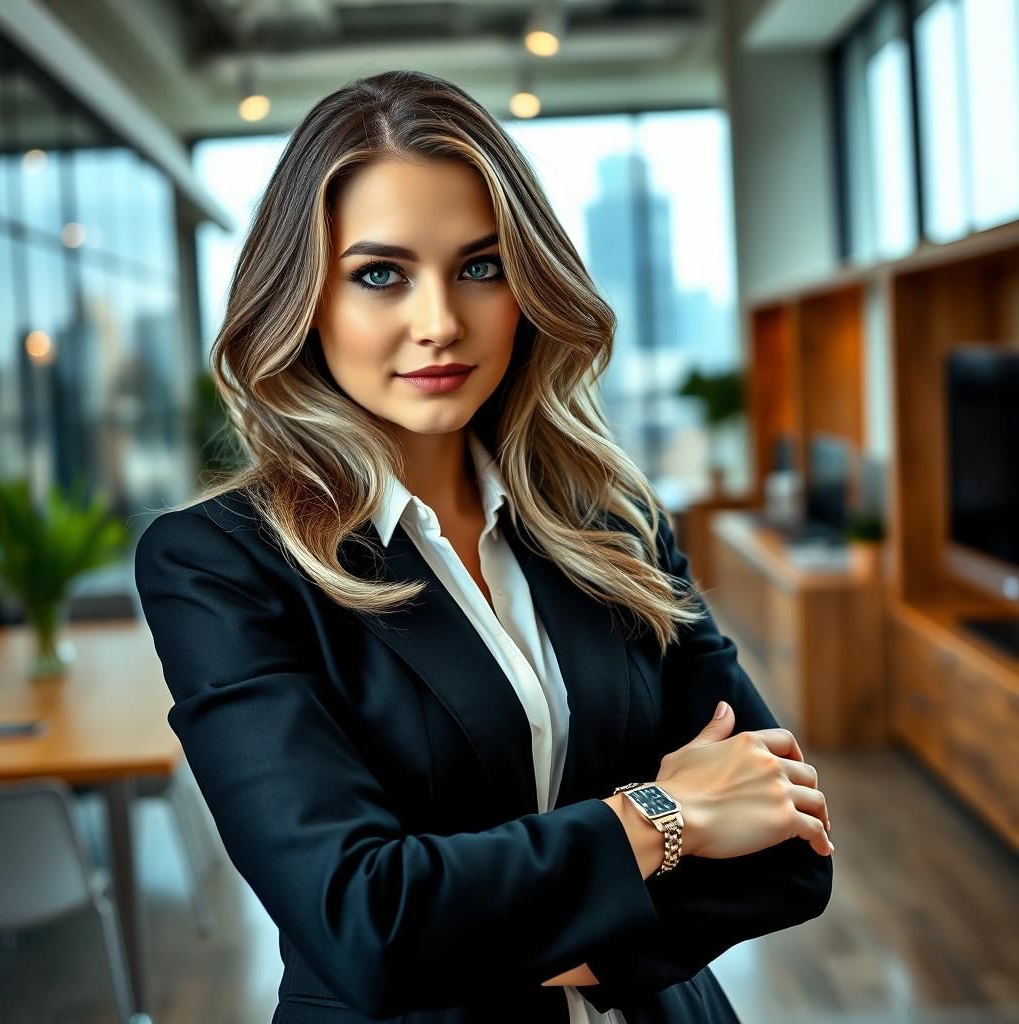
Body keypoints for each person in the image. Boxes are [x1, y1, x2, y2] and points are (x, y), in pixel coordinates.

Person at [134, 69, 833, 1024]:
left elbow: (791, 850)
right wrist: (665, 820)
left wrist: (494, 936)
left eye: (481, 266)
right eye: (381, 274)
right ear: (306, 299)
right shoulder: (222, 565)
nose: (440, 324)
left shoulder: (612, 521)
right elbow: (365, 922)